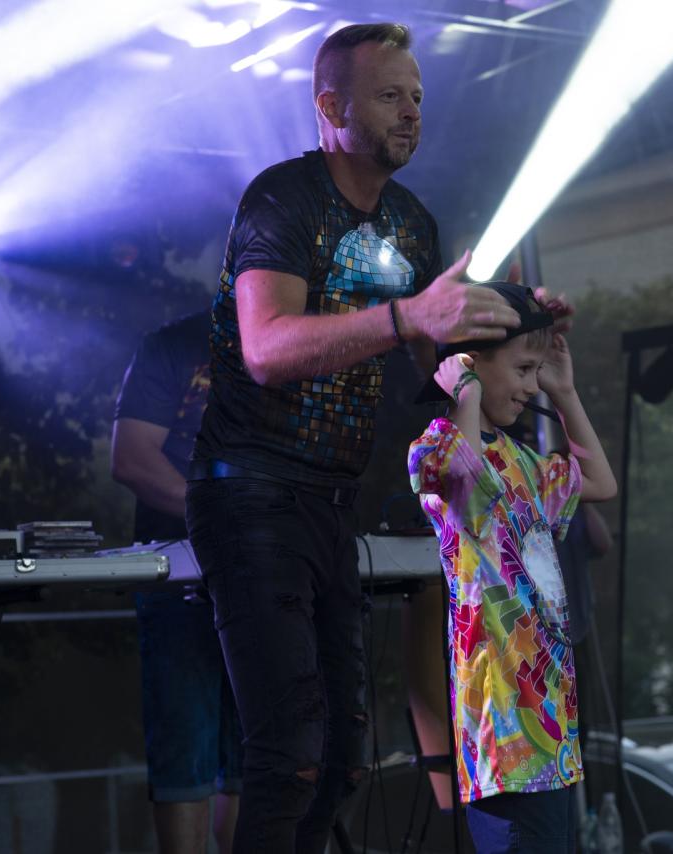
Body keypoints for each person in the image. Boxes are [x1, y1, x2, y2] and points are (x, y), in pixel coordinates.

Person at [184, 22, 546, 851]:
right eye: (390, 96)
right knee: (290, 756)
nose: (412, 112)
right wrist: (407, 315)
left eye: (416, 96)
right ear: (331, 107)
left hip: (332, 502)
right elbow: (266, 348)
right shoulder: (283, 198)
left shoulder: (412, 223)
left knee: (343, 761)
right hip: (250, 491)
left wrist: (517, 328)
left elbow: (433, 364)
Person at [408, 283, 617, 853]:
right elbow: (470, 486)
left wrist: (565, 392)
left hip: (548, 720)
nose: (531, 386)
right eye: (523, 369)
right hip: (502, 725)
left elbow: (600, 482)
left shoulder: (523, 459)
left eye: (536, 372)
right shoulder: (436, 448)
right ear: (470, 364)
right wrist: (465, 394)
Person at [111, 310, 242, 854]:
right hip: (179, 572)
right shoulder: (173, 344)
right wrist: (220, 516)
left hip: (265, 573)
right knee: (185, 751)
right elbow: (131, 458)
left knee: (259, 755)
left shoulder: (300, 341)